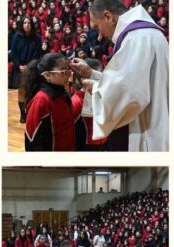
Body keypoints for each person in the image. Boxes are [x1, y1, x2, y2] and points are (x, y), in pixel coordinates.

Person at [69, 0, 169, 151]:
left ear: (108, 16)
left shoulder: (135, 38)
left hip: (146, 130)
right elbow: (131, 82)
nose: (99, 34)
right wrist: (93, 74)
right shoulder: (147, 33)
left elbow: (131, 94)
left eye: (97, 26)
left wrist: (96, 88)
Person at [25, 53, 84, 151]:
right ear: (48, 75)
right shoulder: (41, 100)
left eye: (68, 70)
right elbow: (32, 138)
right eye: (63, 71)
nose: (68, 74)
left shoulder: (64, 94)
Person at [10, 16, 41, 123]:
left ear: (32, 25)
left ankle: (30, 112)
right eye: (25, 23)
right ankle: (23, 114)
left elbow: (37, 55)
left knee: (32, 92)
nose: (27, 25)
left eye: (29, 23)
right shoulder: (16, 37)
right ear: (22, 24)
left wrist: (29, 66)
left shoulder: (37, 37)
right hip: (19, 68)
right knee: (21, 93)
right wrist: (19, 65)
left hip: (32, 68)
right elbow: (13, 53)